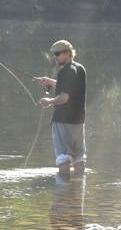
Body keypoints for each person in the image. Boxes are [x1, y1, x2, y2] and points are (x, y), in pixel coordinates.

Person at [36, 39, 87, 175]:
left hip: (63, 121)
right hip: (78, 120)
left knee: (63, 158)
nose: (55, 57)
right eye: (54, 54)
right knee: (79, 158)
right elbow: (68, 86)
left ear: (67, 53)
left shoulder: (64, 72)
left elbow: (64, 97)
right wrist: (50, 81)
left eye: (57, 54)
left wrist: (49, 101)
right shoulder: (80, 68)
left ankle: (64, 192)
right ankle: (78, 187)